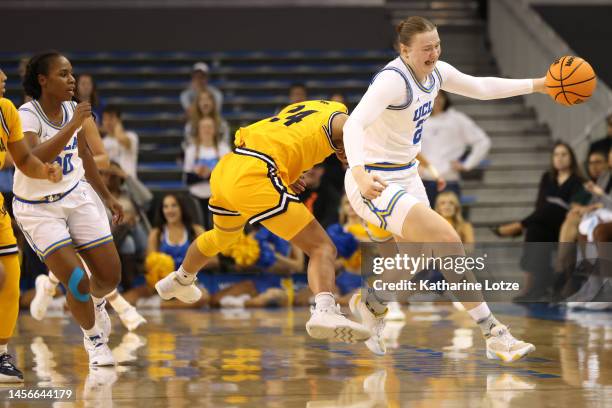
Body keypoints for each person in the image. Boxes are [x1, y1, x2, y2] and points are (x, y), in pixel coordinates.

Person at [342, 16, 542, 361]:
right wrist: (359, 174)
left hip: (406, 175)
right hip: (373, 180)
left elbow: (482, 88)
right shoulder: (393, 81)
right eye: (426, 48)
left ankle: (371, 302)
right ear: (404, 51)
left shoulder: (436, 73)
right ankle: (493, 331)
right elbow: (354, 123)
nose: (434, 53)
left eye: (437, 45)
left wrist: (540, 85)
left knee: (416, 257)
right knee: (448, 240)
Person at [155, 100, 371, 343]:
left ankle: (181, 279)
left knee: (221, 236)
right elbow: (352, 127)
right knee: (322, 247)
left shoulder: (317, 108)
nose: (346, 158)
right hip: (256, 172)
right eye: (350, 153)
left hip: (229, 167)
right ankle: (325, 311)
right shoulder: (344, 122)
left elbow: (285, 133)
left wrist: (288, 172)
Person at [13, 51, 125, 366]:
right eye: (63, 74)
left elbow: (84, 154)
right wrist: (74, 123)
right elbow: (33, 158)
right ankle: (94, 341)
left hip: (76, 195)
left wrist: (106, 196)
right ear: (43, 80)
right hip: (39, 209)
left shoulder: (71, 109)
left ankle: (97, 305)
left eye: (72, 73)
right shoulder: (27, 115)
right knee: (76, 278)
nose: (72, 79)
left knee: (110, 275)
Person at [0, 67, 63, 382]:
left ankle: (0, 356)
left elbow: (23, 159)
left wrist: (44, 171)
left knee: (10, 275)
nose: (3, 78)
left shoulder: (6, 110)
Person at [420, 90, 491, 204]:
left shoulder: (457, 119)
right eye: (433, 97)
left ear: (445, 99)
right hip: (423, 181)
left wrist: (466, 164)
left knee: (449, 221)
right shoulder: (419, 120)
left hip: (449, 180)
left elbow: (482, 141)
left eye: (440, 97)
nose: (437, 101)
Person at [184, 117, 231, 230]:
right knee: (199, 228)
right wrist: (204, 174)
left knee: (215, 228)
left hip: (217, 196)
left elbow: (228, 177)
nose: (207, 130)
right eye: (203, 127)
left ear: (214, 130)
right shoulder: (191, 150)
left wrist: (208, 173)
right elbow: (188, 178)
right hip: (196, 196)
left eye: (209, 127)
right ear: (199, 130)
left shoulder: (224, 149)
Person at [101, 105, 139, 178]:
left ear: (119, 120)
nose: (108, 122)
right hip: (112, 184)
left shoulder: (131, 136)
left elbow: (123, 141)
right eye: (105, 119)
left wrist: (118, 129)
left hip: (129, 182)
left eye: (111, 118)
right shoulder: (102, 142)